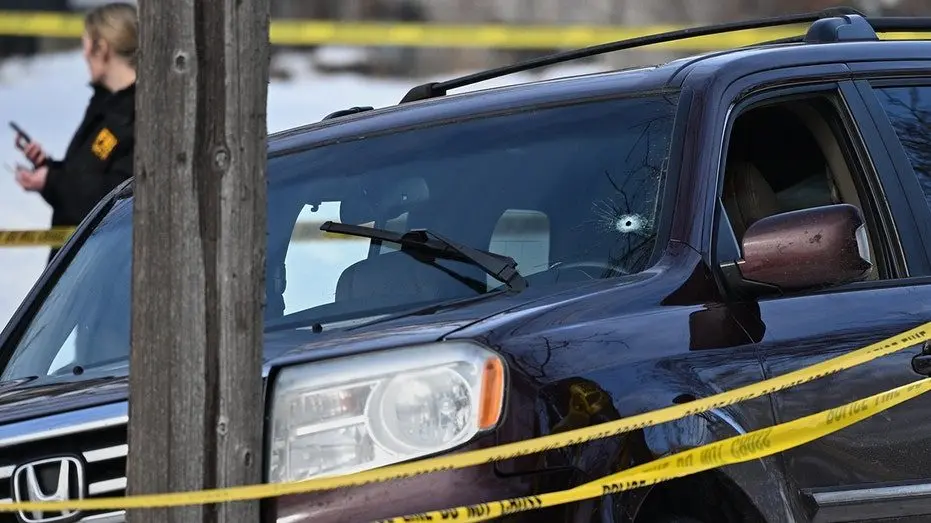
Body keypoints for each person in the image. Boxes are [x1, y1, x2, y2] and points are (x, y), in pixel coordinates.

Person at [13, 2, 138, 263]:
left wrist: (53, 181)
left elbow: (114, 201)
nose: (83, 55)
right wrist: (48, 169)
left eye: (86, 45)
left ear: (102, 49)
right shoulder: (105, 105)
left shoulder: (138, 113)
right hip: (83, 268)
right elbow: (84, 180)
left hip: (103, 271)